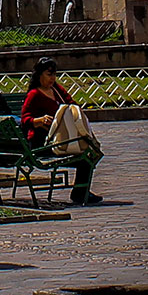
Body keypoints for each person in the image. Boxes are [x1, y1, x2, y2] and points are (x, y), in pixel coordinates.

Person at [20, 58, 103, 205]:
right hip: (43, 143)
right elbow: (25, 119)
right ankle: (80, 193)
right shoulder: (34, 94)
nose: (52, 78)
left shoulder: (57, 90)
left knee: (91, 151)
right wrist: (38, 121)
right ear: (39, 75)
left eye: (54, 74)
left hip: (62, 138)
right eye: (48, 74)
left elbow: (72, 104)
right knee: (84, 159)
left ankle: (81, 191)